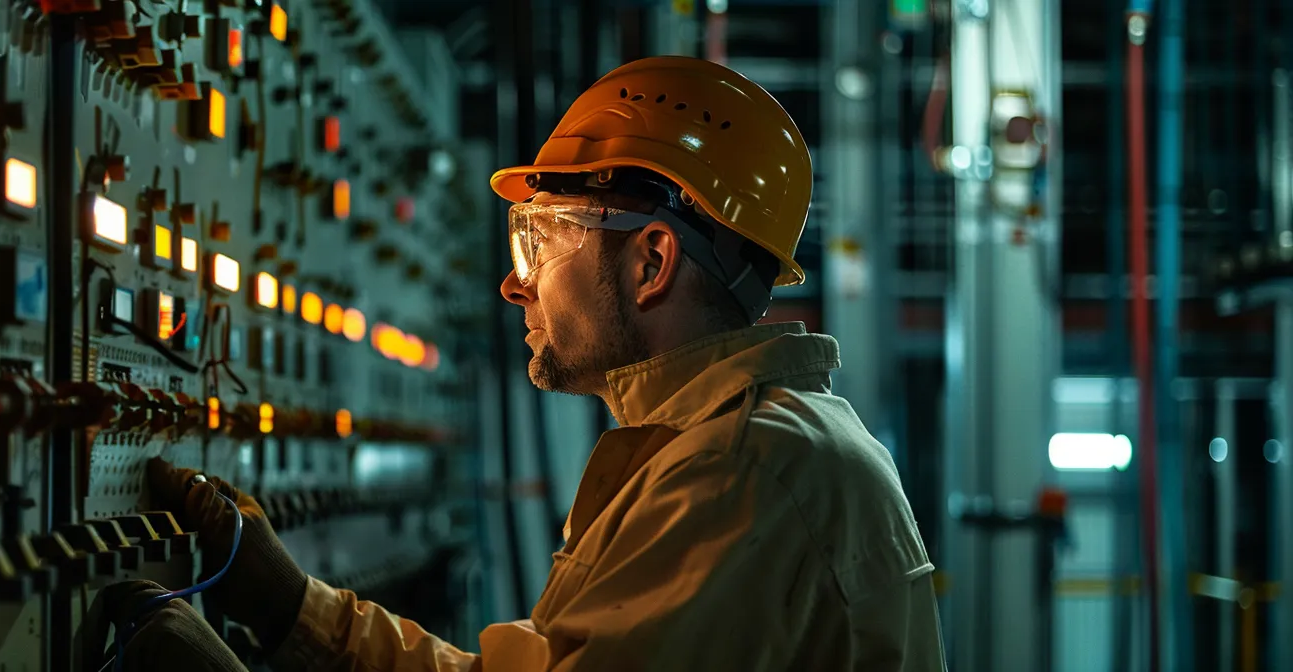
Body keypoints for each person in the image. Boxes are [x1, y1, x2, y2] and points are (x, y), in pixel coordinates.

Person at [100, 55, 945, 671]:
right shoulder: (747, 446)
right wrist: (296, 610)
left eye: (540, 238)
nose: (515, 281)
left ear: (651, 263)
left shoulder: (740, 473)